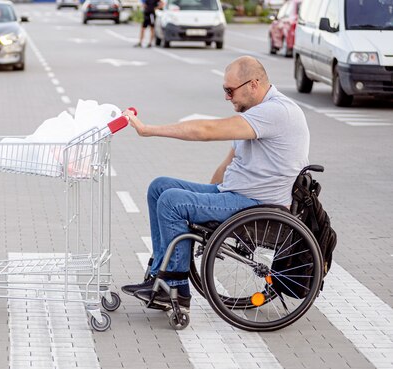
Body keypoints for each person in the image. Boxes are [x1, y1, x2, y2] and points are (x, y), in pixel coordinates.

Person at [120, 56, 310, 310]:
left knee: (172, 202)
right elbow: (227, 166)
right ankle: (158, 275)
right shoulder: (255, 113)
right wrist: (202, 207)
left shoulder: (276, 112)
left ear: (253, 84)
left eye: (229, 91)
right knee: (160, 187)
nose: (227, 97)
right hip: (234, 195)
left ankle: (175, 287)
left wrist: (148, 130)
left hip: (257, 204)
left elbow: (205, 131)